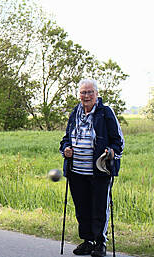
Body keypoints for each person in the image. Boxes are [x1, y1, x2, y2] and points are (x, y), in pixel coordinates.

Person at [60, 79, 124, 257]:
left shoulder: (105, 112)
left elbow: (119, 141)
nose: (86, 96)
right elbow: (66, 138)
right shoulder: (75, 112)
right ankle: (87, 241)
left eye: (90, 92)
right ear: (78, 94)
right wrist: (65, 149)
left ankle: (100, 243)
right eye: (83, 92)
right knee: (82, 207)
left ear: (96, 94)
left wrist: (111, 152)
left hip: (99, 171)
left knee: (99, 207)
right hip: (76, 170)